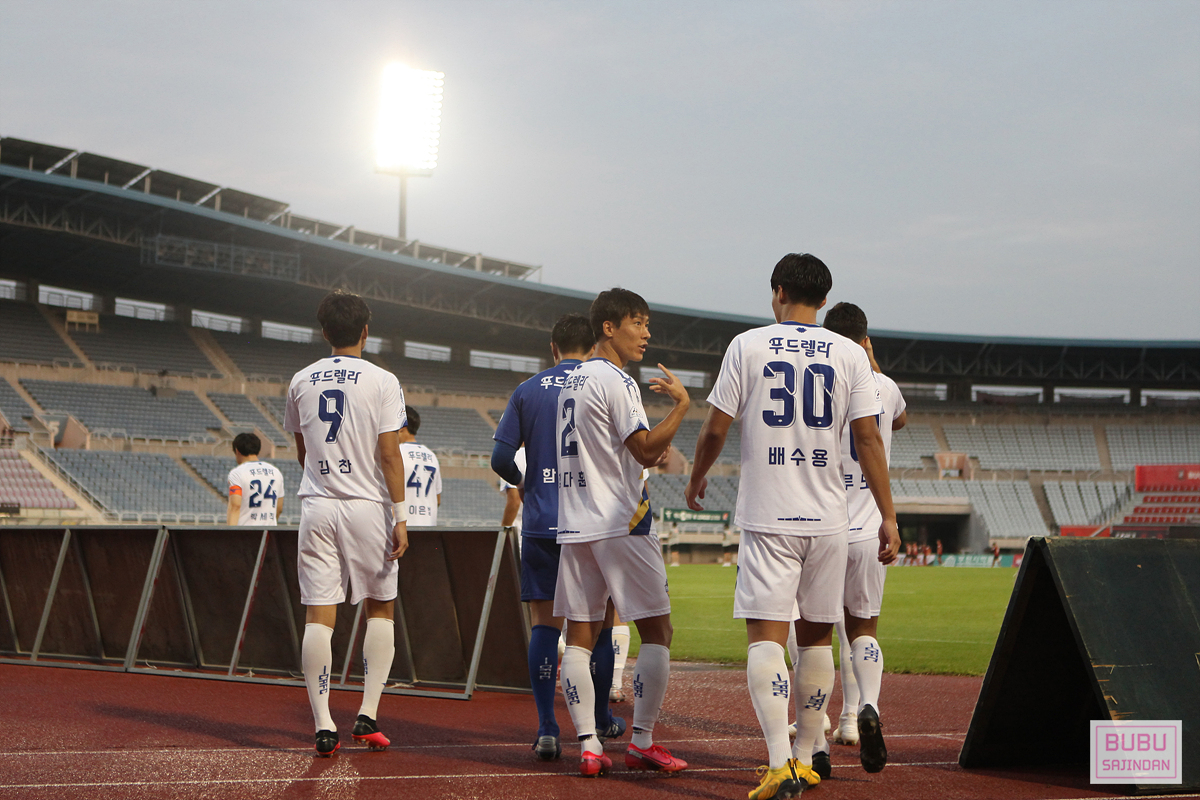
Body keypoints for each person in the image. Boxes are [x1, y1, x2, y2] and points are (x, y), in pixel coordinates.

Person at [685, 253, 900, 800]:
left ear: (778, 292)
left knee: (766, 638)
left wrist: (698, 474)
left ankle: (780, 763)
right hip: (830, 519)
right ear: (824, 300)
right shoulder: (850, 354)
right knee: (818, 640)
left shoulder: (747, 345)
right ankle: (806, 757)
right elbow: (869, 439)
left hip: (769, 514)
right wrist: (889, 515)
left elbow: (716, 428)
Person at [554, 288, 690, 777]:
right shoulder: (617, 380)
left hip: (575, 522)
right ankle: (642, 741)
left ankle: (589, 745)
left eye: (647, 323)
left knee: (579, 637)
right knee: (657, 630)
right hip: (621, 521)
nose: (646, 332)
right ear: (608, 328)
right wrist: (682, 405)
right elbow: (647, 451)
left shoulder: (569, 381)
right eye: (638, 322)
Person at [490, 314, 624, 763]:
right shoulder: (604, 383)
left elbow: (500, 458)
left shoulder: (527, 390)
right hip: (592, 522)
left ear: (553, 348)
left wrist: (524, 482)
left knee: (545, 627)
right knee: (600, 624)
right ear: (593, 347)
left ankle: (547, 726)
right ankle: (600, 718)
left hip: (543, 521)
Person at [284, 290, 409, 757]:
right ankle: (367, 714)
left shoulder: (301, 379)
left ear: (324, 332)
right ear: (366, 331)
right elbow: (389, 454)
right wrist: (401, 516)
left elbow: (302, 450)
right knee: (381, 606)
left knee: (319, 614)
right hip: (366, 505)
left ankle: (323, 725)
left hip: (317, 505)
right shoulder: (383, 380)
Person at [818, 302, 907, 767]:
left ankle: (815, 739)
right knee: (863, 631)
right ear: (865, 339)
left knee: (814, 633)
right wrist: (871, 362)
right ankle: (863, 708)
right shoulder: (884, 387)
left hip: (824, 524)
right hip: (871, 528)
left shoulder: (821, 385)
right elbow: (899, 420)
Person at [226, 432, 283, 526]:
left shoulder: (237, 473)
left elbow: (235, 506)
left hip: (246, 530)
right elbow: (279, 507)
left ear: (237, 451)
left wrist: (231, 533)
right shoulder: (276, 472)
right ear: (258, 450)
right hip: (268, 530)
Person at [397, 407, 441, 526]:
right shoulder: (432, 456)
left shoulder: (396, 454)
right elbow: (438, 499)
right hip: (428, 526)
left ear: (401, 429)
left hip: (402, 526)